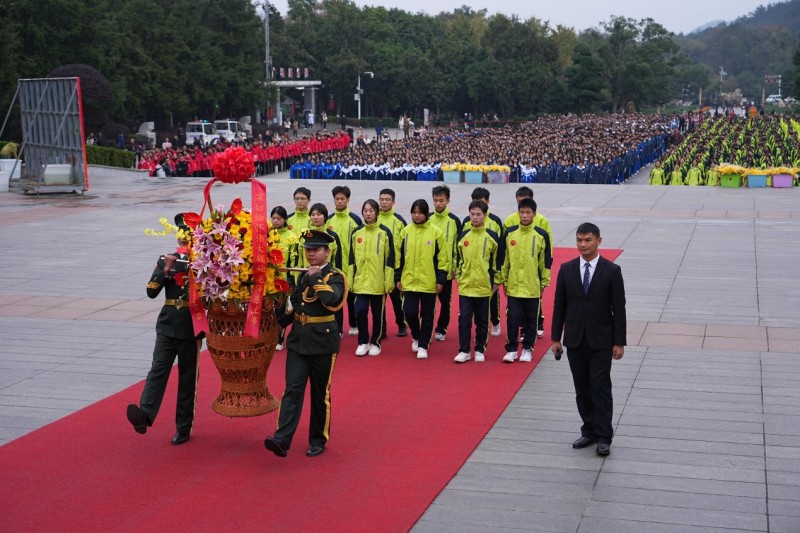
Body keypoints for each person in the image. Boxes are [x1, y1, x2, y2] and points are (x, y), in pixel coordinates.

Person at [265, 229, 347, 458]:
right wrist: (280, 324)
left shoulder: (336, 276)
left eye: (315, 250)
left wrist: (315, 277)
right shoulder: (303, 275)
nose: (310, 254)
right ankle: (282, 438)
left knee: (320, 393)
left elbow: (332, 300)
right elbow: (297, 306)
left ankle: (318, 439)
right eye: (307, 250)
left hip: (323, 341)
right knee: (292, 388)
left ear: (327, 251)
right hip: (300, 339)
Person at [550, 222, 626, 457]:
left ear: (598, 241)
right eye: (579, 240)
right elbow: (559, 305)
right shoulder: (567, 269)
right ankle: (589, 430)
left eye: (588, 240)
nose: (583, 245)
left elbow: (619, 309)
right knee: (581, 388)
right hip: (574, 340)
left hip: (602, 340)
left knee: (600, 387)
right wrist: (555, 338)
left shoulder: (612, 271)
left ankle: (604, 436)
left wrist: (619, 342)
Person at [127, 214, 201, 446]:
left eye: (187, 232)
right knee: (158, 370)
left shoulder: (204, 261)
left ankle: (183, 427)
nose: (182, 236)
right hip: (168, 325)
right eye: (180, 232)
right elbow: (151, 291)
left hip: (191, 327)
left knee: (187, 380)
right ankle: (145, 414)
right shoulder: (165, 259)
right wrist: (166, 270)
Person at [396, 199, 449, 359]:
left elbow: (443, 258)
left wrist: (441, 279)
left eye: (420, 212)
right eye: (414, 212)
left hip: (429, 281)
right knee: (410, 313)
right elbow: (398, 257)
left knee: (427, 315)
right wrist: (398, 277)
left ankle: (423, 345)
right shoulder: (405, 232)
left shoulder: (436, 232)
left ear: (426, 214)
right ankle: (417, 336)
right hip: (409, 281)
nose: (417, 215)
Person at [502, 198, 551, 363]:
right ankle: (512, 349)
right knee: (512, 318)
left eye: (528, 212)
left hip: (532, 286)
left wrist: (544, 281)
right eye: (522, 212)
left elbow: (545, 261)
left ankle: (528, 349)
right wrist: (503, 279)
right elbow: (505, 259)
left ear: (534, 214)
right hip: (514, 286)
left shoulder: (541, 235)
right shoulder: (510, 233)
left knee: (531, 320)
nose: (524, 215)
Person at [453, 200, 501, 363]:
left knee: (482, 319)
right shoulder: (463, 235)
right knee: (464, 318)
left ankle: (480, 348)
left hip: (483, 285)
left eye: (478, 214)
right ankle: (464, 350)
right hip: (466, 286)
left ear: (485, 216)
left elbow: (497, 262)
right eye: (472, 214)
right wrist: (459, 276)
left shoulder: (492, 237)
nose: (474, 217)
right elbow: (458, 259)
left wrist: (496, 281)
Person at [350, 199, 395, 356]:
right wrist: (350, 280)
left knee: (378, 314)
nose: (368, 213)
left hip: (378, 282)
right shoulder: (357, 233)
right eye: (365, 210)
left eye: (371, 210)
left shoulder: (384, 233)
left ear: (377, 212)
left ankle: (375, 342)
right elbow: (351, 260)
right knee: (360, 310)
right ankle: (363, 341)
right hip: (361, 282)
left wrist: (388, 281)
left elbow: (390, 259)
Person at [464, 187, 505, 337]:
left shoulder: (495, 221)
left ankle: (495, 321)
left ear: (488, 202)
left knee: (492, 300)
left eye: (481, 203)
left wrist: (498, 274)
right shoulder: (466, 221)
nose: (476, 212)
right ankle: (480, 328)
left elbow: (500, 248)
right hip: (471, 271)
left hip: (488, 270)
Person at [327, 186, 362, 336]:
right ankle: (338, 329)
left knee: (352, 297)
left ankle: (354, 324)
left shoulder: (354, 219)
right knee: (337, 297)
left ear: (348, 200)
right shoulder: (329, 219)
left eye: (342, 199)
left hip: (350, 264)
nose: (339, 201)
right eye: (337, 199)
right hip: (335, 266)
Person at [430, 185, 462, 341]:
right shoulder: (428, 218)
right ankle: (426, 327)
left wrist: (455, 266)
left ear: (448, 200)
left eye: (441, 200)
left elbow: (458, 245)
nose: (438, 204)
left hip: (447, 269)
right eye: (435, 200)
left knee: (444, 302)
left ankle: (441, 328)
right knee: (428, 301)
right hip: (428, 269)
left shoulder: (454, 221)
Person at [376, 188, 408, 338]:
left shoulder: (400, 221)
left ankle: (401, 324)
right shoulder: (374, 218)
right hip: (378, 268)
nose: (384, 202)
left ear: (393, 202)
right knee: (379, 301)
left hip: (395, 268)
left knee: (397, 300)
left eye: (387, 199)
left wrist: (402, 269)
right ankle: (382, 329)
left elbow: (404, 246)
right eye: (381, 199)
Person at [270, 206, 296, 351]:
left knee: (281, 309)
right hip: (269, 278)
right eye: (273, 218)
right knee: (269, 308)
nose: (275, 221)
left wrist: (291, 280)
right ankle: (270, 335)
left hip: (284, 277)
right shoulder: (267, 235)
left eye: (278, 218)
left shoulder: (291, 236)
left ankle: (280, 338)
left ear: (285, 219)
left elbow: (293, 262)